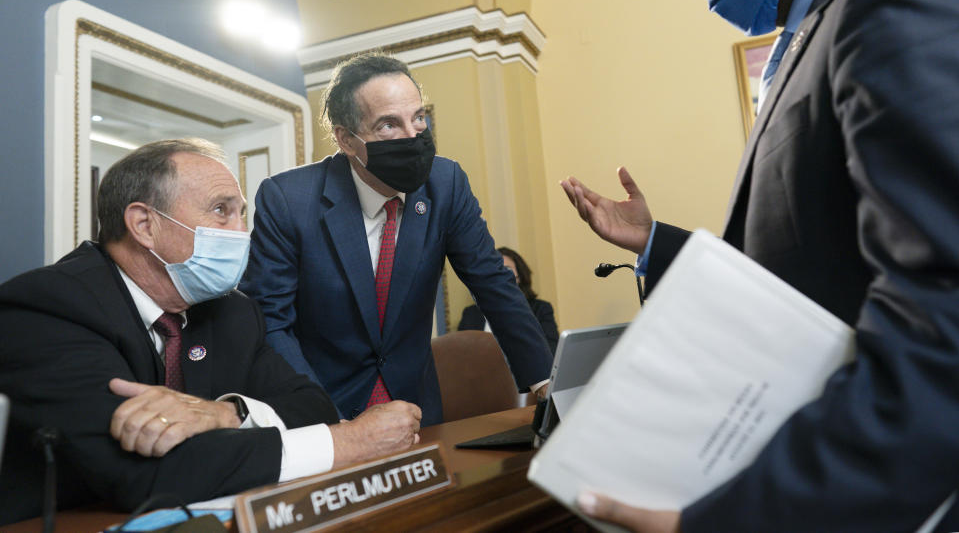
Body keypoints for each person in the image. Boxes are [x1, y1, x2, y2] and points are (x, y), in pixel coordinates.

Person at [561, 0, 959, 531]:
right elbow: (805, 259)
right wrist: (654, 243)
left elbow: (945, 314)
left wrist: (736, 519)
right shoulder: (810, 35)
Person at [0, 139, 421, 525]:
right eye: (221, 210)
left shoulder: (234, 313)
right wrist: (347, 444)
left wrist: (228, 413)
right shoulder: (47, 305)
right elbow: (145, 473)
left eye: (242, 214)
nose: (241, 231)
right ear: (144, 225)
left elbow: (312, 406)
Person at [240, 53, 553, 426]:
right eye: (388, 125)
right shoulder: (288, 199)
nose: (411, 136)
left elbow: (493, 283)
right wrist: (329, 423)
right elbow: (271, 323)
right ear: (346, 139)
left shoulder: (446, 183)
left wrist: (546, 383)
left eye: (418, 118)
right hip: (325, 410)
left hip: (417, 407)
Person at [459, 246, 560, 356]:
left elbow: (552, 351)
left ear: (519, 276)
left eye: (507, 269)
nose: (500, 277)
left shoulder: (540, 309)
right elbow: (460, 356)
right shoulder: (470, 314)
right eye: (494, 271)